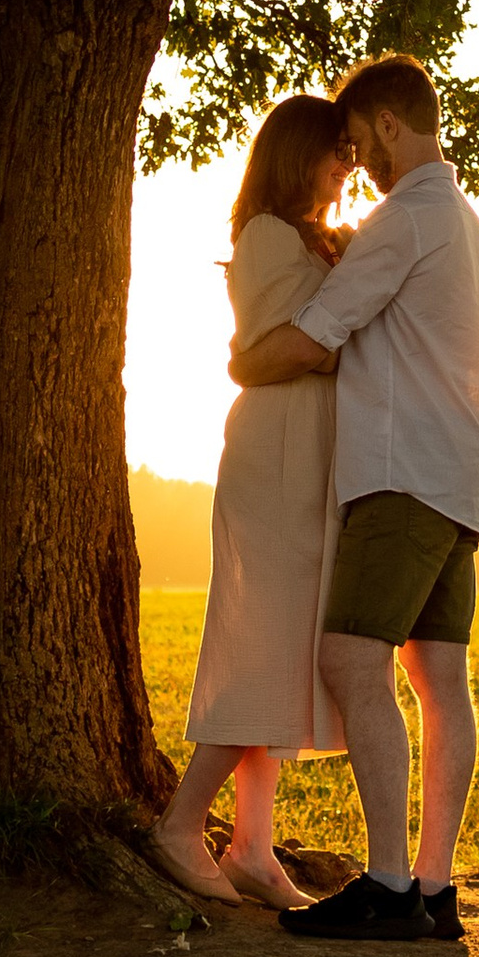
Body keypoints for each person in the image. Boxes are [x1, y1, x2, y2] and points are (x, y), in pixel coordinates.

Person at [229, 55, 479, 944]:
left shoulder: (402, 219)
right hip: (460, 475)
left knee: (352, 659)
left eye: (358, 143)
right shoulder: (464, 220)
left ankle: (386, 886)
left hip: (400, 472)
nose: (357, 164)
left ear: (389, 125)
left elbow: (313, 336)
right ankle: (435, 887)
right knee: (438, 678)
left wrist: (242, 362)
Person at [152, 95, 350, 909]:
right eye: (335, 151)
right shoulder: (267, 235)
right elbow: (269, 351)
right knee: (261, 645)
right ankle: (178, 823)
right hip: (274, 459)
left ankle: (254, 845)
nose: (346, 167)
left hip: (304, 459)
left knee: (281, 651)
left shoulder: (311, 237)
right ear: (297, 154)